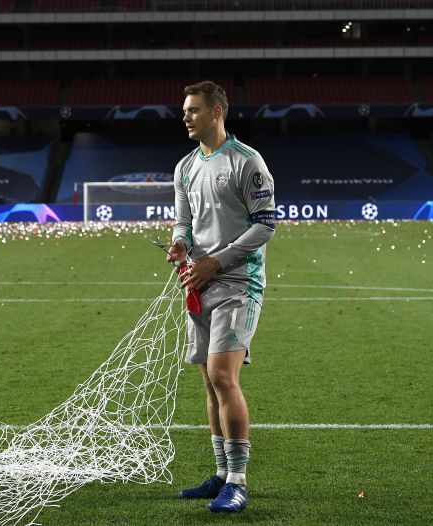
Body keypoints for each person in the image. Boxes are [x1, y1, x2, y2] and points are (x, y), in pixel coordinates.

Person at [167, 80, 276, 513]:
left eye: (193, 109)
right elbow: (183, 221)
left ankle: (239, 482)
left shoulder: (247, 162)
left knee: (224, 376)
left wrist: (219, 259)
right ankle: (221, 474)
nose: (185, 116)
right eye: (184, 110)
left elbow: (266, 223)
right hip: (200, 281)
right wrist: (180, 244)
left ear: (217, 112)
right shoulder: (185, 166)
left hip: (238, 283)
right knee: (209, 382)